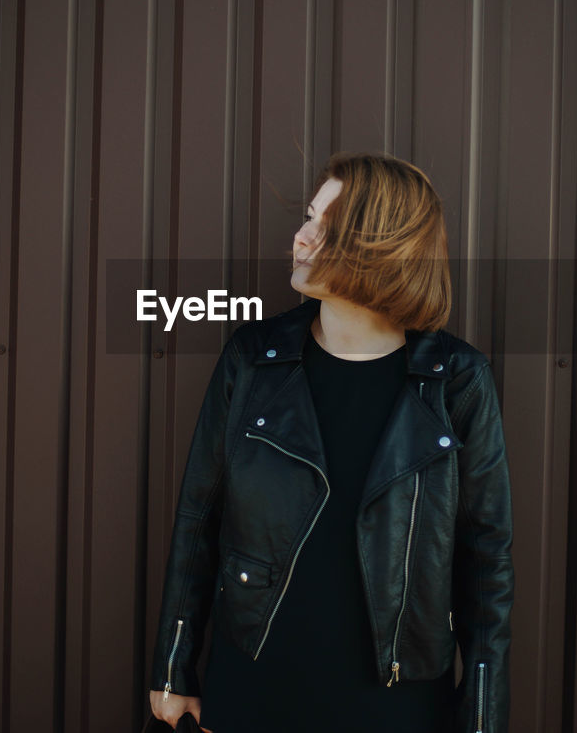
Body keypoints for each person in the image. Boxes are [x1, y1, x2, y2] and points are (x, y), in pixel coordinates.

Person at [147, 152, 514, 733]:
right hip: (257, 685)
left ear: (377, 244)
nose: (300, 235)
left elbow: (486, 559)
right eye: (308, 216)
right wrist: (173, 668)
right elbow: (199, 516)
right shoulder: (254, 360)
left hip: (396, 702)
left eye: (323, 224)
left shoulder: (456, 381)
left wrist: (482, 713)